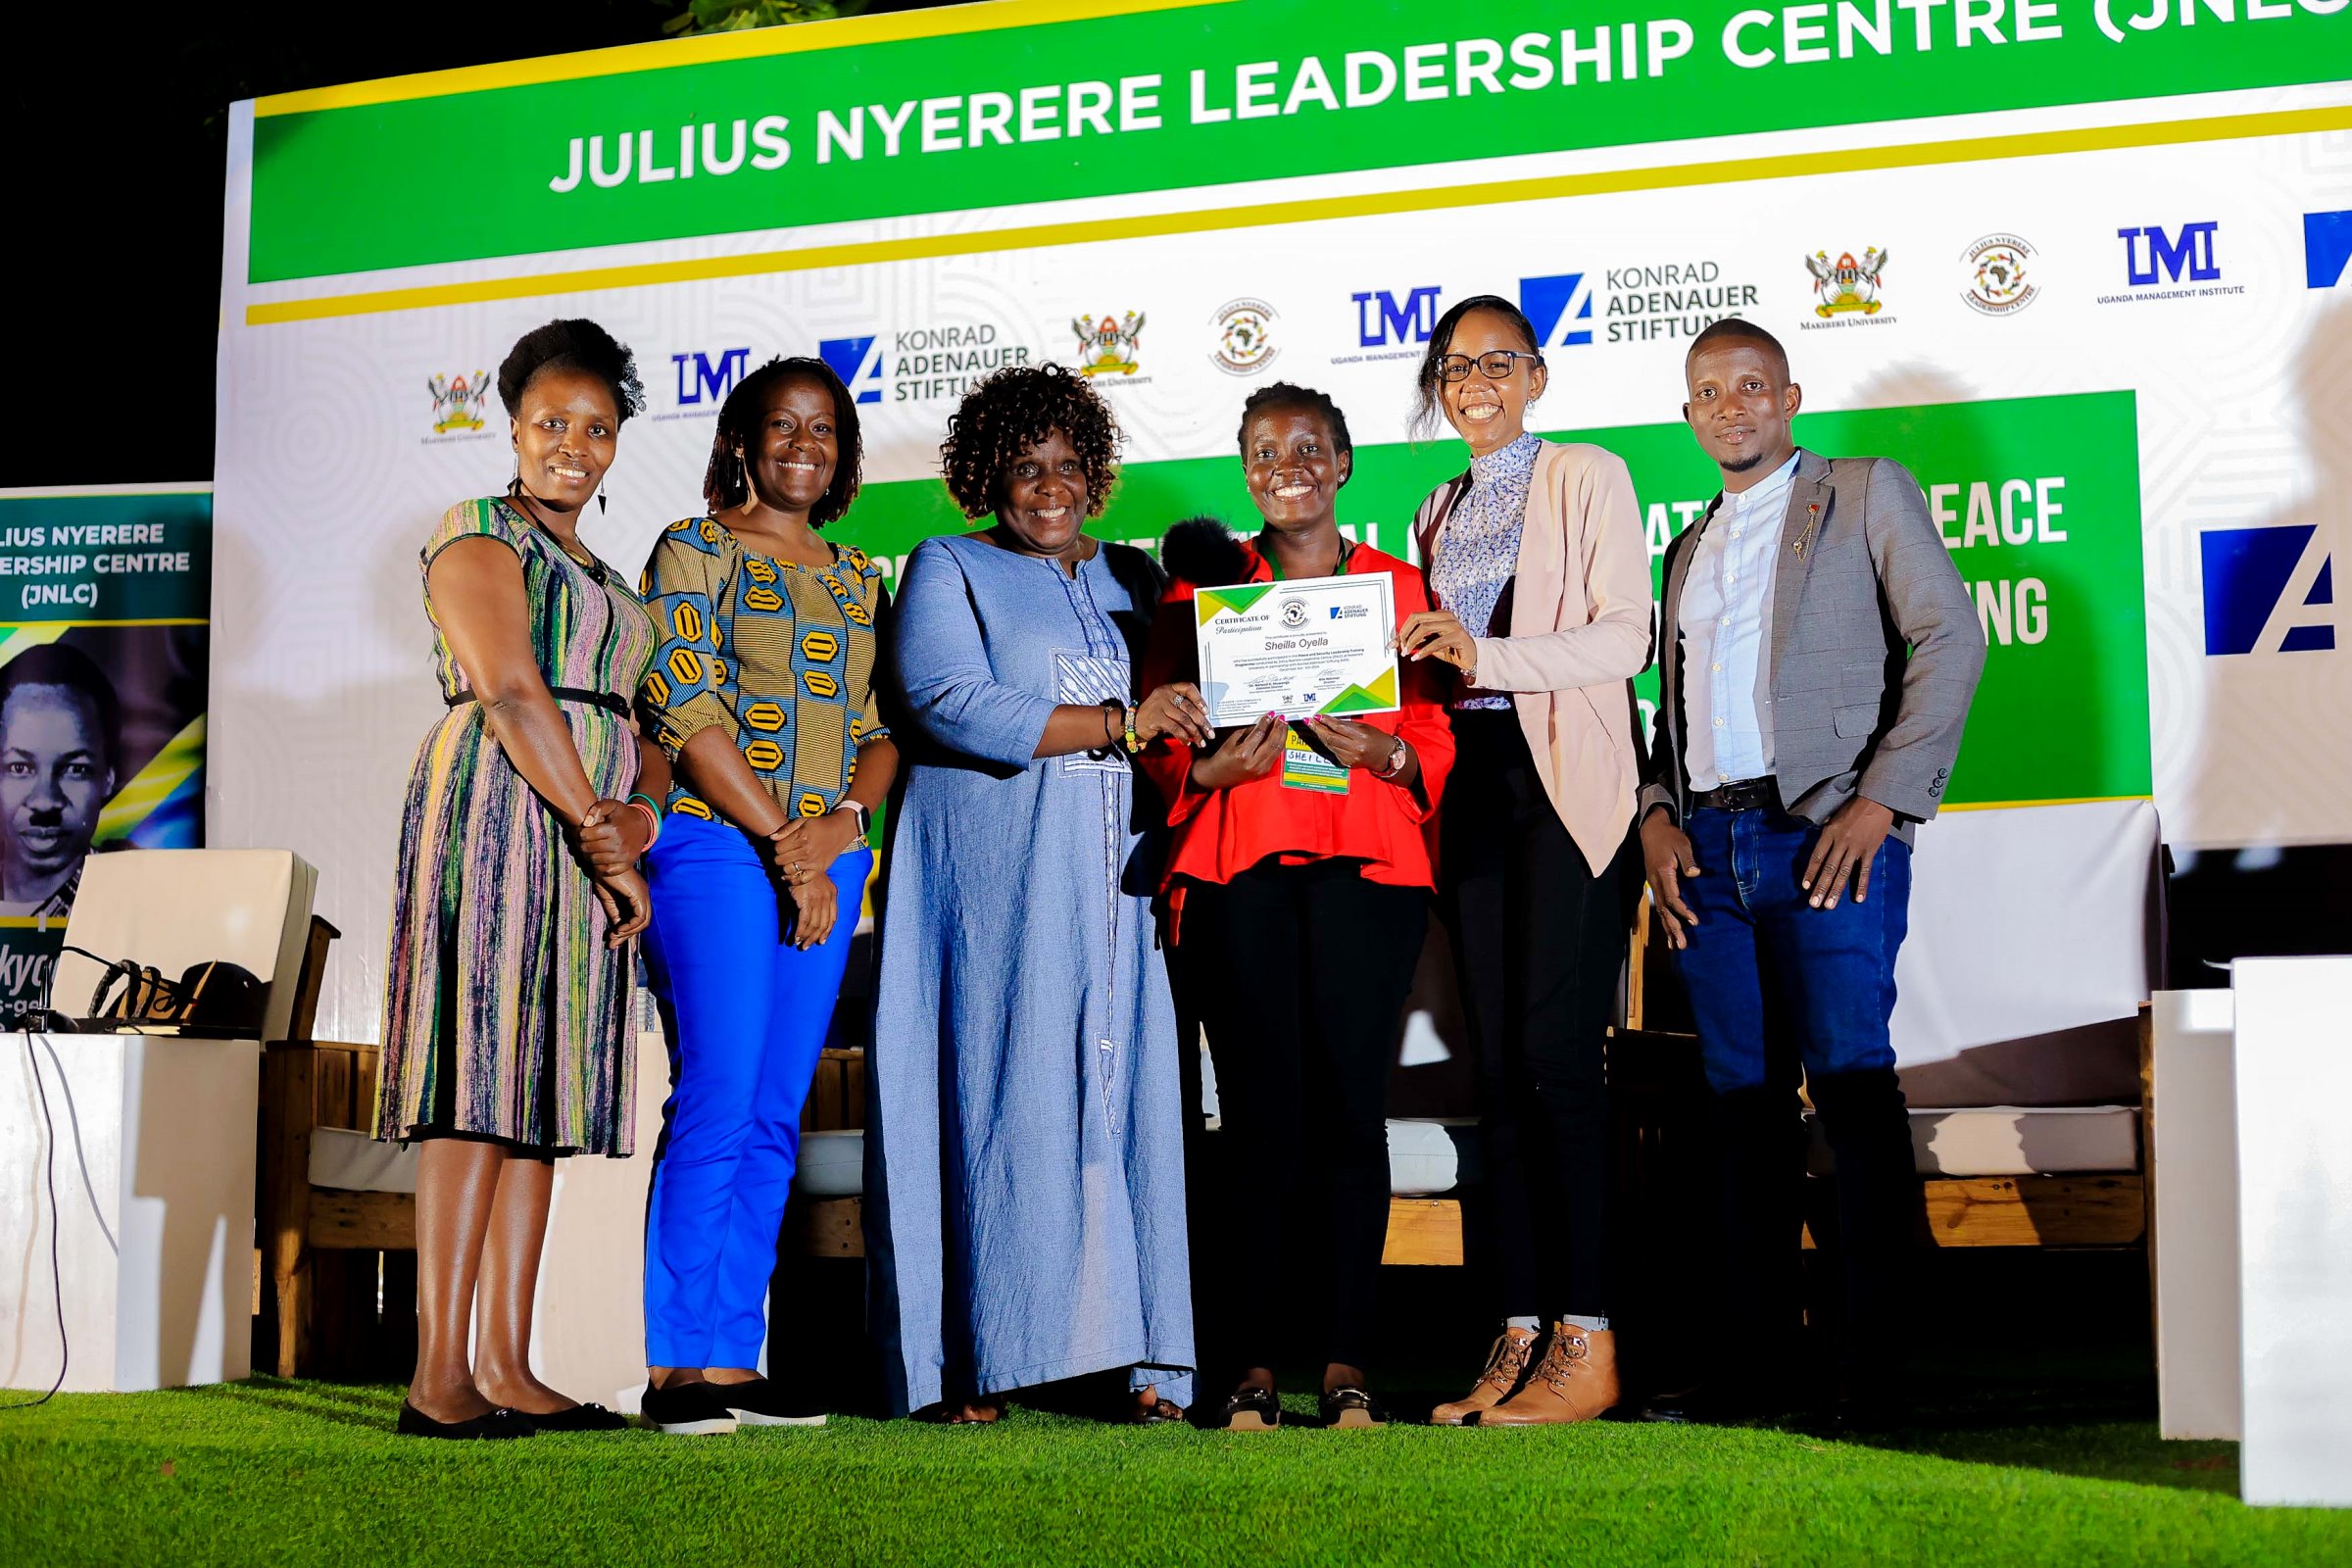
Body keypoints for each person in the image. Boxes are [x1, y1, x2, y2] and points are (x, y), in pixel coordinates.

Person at [1633, 318, 1984, 1428]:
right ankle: (1754, 1373)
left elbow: (1950, 639)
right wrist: (1653, 816)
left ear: (1789, 395)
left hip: (1830, 836)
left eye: (1750, 386)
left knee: (1852, 1095)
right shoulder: (1684, 549)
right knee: (1740, 1117)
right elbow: (1669, 711)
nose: (1730, 407)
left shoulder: (1866, 489)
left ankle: (1877, 1377)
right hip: (1710, 854)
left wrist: (1884, 798)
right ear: (1688, 416)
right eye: (1708, 392)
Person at [866, 363, 1210, 1425]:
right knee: (989, 1091)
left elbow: (1191, 708)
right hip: (997, 886)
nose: (1048, 487)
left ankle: (1149, 1359)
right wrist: (1118, 723)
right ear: (987, 476)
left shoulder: (1139, 579)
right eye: (1025, 467)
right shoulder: (946, 565)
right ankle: (965, 1360)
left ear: (1096, 473)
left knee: (1132, 1099)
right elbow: (948, 701)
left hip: (1123, 890)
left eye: (1067, 465)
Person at [1142, 382, 1455, 1431]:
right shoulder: (1207, 592)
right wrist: (1206, 770)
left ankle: (1349, 1363)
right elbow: (1164, 744)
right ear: (1245, 471)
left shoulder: (1399, 587)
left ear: (1344, 461)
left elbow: (1442, 731)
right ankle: (1249, 1366)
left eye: (1310, 445)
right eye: (1266, 449)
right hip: (1241, 867)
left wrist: (1396, 749)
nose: (1290, 463)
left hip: (1365, 866)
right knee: (1262, 1119)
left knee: (1345, 1114)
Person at [373, 318, 662, 1440]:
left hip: (584, 824)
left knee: (537, 1092)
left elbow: (629, 720)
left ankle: (507, 1360)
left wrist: (631, 814)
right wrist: (599, 824)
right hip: (497, 804)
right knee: (476, 1075)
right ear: (512, 425)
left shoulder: (600, 567)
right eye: (553, 424)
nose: (574, 448)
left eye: (597, 429)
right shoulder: (477, 531)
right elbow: (510, 690)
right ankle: (437, 1374)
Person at [1393, 296, 1653, 1427]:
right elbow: (1419, 668)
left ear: (1537, 375)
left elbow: (1624, 636)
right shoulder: (1434, 504)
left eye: (1499, 362)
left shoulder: (1589, 473)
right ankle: (1517, 1331)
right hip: (1473, 789)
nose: (1477, 382)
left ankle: (1588, 1337)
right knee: (1495, 1073)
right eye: (1456, 367)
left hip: (1569, 788)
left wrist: (1484, 649)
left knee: (1558, 1057)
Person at [633, 356, 899, 1436]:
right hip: (714, 847)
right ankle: (673, 1361)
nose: (805, 444)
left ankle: (737, 1356)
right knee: (720, 1091)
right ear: (742, 439)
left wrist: (840, 833)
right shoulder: (692, 549)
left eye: (824, 429)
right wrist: (786, 837)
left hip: (822, 864)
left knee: (779, 1110)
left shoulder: (854, 574)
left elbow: (880, 733)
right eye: (783, 425)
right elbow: (682, 702)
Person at [0, 644, 120, 919]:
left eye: (75, 769)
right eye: (19, 767)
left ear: (108, 778)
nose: (44, 802)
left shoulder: (131, 900)